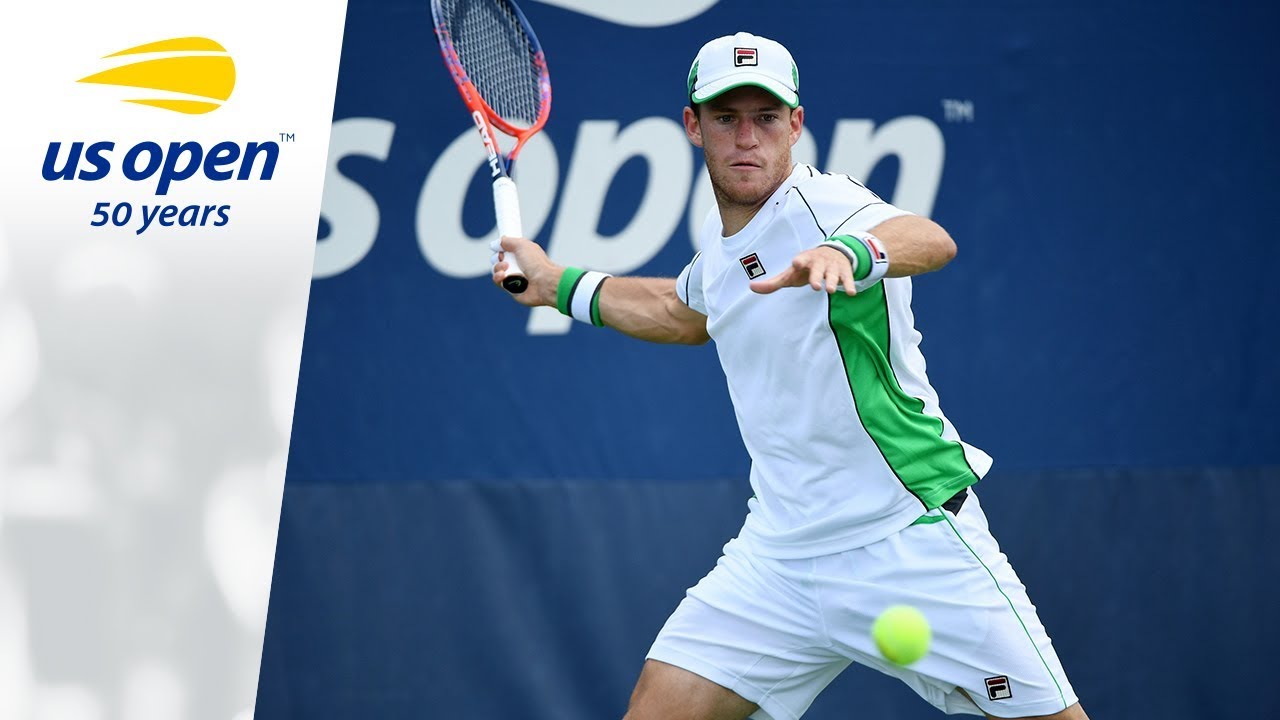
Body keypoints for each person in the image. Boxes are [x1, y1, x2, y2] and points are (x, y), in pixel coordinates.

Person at [492, 31, 1087, 720]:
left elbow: (930, 239)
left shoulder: (824, 205)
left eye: (767, 118)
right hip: (780, 554)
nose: (748, 138)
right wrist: (555, 283)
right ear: (694, 127)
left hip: (907, 535)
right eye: (726, 118)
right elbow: (681, 311)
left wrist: (854, 251)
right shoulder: (719, 248)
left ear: (796, 126)